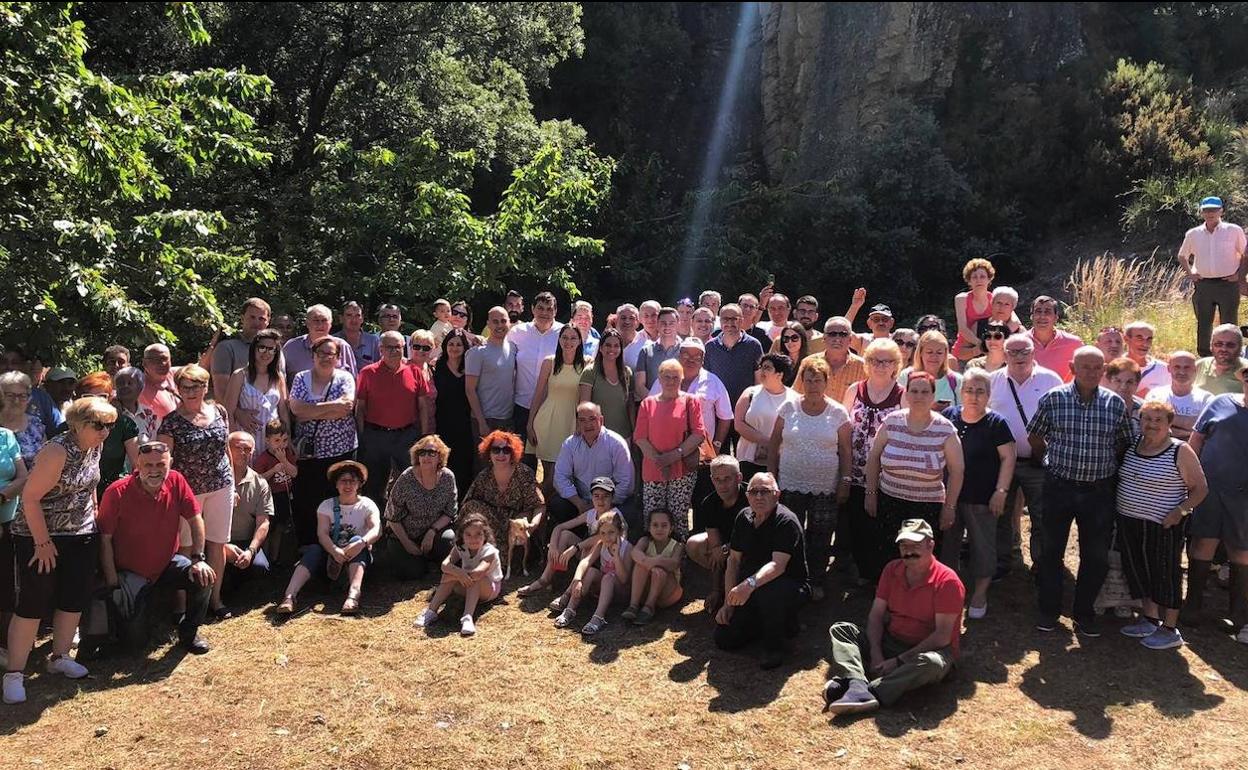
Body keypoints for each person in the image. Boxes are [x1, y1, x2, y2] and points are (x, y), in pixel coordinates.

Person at [3, 397, 114, 705]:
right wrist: (42, 542)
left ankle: (60, 657)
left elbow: (90, 483)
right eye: (99, 425)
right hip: (38, 534)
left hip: (80, 532)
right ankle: (14, 673)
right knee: (32, 602)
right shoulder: (57, 450)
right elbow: (30, 498)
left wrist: (93, 514)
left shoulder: (95, 445)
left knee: (73, 596)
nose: (105, 431)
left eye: (109, 425)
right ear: (78, 424)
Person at [1029, 346, 1133, 636]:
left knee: (1095, 555)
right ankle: (1049, 611)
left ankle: (1084, 613)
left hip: (1098, 491)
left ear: (1104, 370)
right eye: (1085, 366)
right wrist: (1048, 462)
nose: (1091, 372)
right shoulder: (1054, 398)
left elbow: (1124, 441)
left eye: (1097, 367)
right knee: (1051, 551)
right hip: (1059, 487)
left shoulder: (1114, 404)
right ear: (1073, 368)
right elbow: (1035, 435)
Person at [823, 519, 964, 716]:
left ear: (931, 545)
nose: (909, 551)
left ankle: (871, 690)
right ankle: (856, 683)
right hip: (892, 641)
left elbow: (942, 637)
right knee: (842, 630)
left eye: (915, 545)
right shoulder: (891, 569)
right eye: (904, 545)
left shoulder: (948, 582)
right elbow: (876, 615)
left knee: (932, 663)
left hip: (928, 651)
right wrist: (876, 652)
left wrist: (898, 661)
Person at [95, 440, 216, 658]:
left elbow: (195, 518)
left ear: (170, 463)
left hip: (167, 565)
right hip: (130, 574)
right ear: (137, 465)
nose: (154, 471)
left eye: (160, 465)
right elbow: (104, 540)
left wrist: (199, 558)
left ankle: (189, 634)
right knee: (135, 645)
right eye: (148, 465)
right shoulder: (116, 492)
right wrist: (113, 584)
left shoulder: (176, 480)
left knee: (203, 577)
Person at [1116, 402, 1208, 649]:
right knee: (1138, 570)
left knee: (1165, 573)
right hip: (1130, 521)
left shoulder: (1180, 450)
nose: (1152, 424)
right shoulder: (1133, 445)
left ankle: (1169, 629)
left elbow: (1201, 489)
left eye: (1158, 420)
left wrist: (1180, 512)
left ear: (1169, 423)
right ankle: (1150, 619)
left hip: (1164, 524)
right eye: (1147, 419)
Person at [768, 357, 851, 602]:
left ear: (826, 382)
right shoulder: (788, 408)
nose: (813, 385)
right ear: (802, 382)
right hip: (790, 482)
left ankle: (815, 580)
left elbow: (846, 450)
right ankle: (791, 577)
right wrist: (771, 477)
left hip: (825, 486)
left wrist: (845, 481)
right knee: (790, 532)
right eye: (808, 380)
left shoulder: (838, 412)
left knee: (820, 535)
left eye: (818, 380)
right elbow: (774, 444)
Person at [155, 364, 233, 621]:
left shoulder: (219, 411)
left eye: (196, 386)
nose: (191, 392)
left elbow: (226, 449)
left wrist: (233, 484)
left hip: (221, 486)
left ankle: (215, 600)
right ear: (178, 389)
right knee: (185, 548)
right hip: (187, 493)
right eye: (185, 387)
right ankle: (182, 606)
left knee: (217, 543)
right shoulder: (171, 422)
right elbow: (164, 464)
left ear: (205, 387)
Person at [866, 372, 964, 568]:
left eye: (925, 392)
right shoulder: (892, 422)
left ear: (933, 395)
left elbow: (957, 471)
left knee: (921, 562)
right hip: (890, 502)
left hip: (927, 507)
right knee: (889, 559)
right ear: (907, 394)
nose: (919, 396)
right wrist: (871, 494)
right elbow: (873, 458)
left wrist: (950, 507)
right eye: (914, 391)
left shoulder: (945, 429)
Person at [713, 472, 808, 670]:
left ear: (777, 495)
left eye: (765, 491)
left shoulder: (786, 521)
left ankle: (774, 646)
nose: (758, 496)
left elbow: (777, 566)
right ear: (747, 496)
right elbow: (733, 560)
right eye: (753, 492)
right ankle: (764, 624)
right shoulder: (743, 517)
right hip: (752, 583)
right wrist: (728, 603)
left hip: (786, 583)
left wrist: (748, 585)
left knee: (769, 592)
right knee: (724, 638)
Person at [940, 369, 1015, 618]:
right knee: (948, 545)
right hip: (950, 495)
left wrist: (1001, 491)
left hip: (982, 496)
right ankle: (948, 591)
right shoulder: (949, 416)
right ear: (961, 392)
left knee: (983, 546)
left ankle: (980, 593)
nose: (974, 396)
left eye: (980, 391)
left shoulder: (997, 423)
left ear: (988, 395)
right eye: (969, 390)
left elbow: (1008, 458)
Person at [1184, 366, 1248, 642]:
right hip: (1209, 490)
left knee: (1241, 552)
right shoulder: (1220, 402)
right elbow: (1196, 439)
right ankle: (1192, 607)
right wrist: (1190, 477)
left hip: (1244, 495)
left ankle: (1238, 613)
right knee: (1202, 543)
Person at [988, 334, 1063, 572]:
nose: (1019, 357)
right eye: (1013, 352)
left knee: (1041, 515)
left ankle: (1041, 564)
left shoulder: (1051, 379)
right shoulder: (992, 381)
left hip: (1038, 462)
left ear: (1033, 353)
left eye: (1024, 351)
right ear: (1004, 354)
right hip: (1001, 463)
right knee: (1000, 513)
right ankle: (1002, 561)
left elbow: (1061, 419)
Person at [276, 460, 381, 616]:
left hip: (357, 557)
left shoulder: (367, 504)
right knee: (313, 550)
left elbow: (376, 530)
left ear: (359, 484)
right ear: (336, 484)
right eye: (343, 481)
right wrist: (334, 550)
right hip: (331, 558)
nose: (348, 485)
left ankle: (353, 596)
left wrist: (362, 542)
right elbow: (322, 534)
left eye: (352, 481)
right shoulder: (326, 505)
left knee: (356, 541)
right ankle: (289, 596)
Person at [844, 339, 906, 583]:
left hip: (887, 475)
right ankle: (862, 572)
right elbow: (843, 429)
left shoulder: (903, 395)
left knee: (882, 526)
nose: (880, 366)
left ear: (896, 364)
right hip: (855, 472)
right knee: (857, 524)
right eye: (875, 360)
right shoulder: (854, 390)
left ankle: (883, 576)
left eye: (886, 361)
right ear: (867, 363)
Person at [288, 337, 357, 547]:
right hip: (309, 453)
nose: (326, 357)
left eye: (330, 354)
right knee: (308, 500)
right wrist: (331, 408)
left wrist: (310, 410)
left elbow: (346, 407)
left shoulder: (345, 378)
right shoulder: (301, 378)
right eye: (321, 353)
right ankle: (310, 547)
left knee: (338, 498)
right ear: (313, 355)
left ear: (337, 357)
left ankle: (339, 544)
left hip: (341, 451)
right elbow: (296, 409)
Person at [648, 337, 733, 507]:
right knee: (669, 503)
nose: (691, 360)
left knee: (701, 502)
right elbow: (650, 411)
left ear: (703, 359)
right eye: (686, 355)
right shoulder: (664, 379)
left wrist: (716, 446)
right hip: (667, 451)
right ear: (679, 356)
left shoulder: (713, 381)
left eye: (696, 357)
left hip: (700, 454)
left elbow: (725, 416)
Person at [355, 330, 431, 505]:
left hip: (406, 436)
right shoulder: (368, 373)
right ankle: (377, 518)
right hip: (376, 436)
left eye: (398, 347)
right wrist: (362, 436)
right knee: (374, 486)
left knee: (412, 483)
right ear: (380, 349)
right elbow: (360, 408)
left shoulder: (414, 371)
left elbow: (423, 407)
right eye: (389, 347)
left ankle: (407, 518)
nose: (394, 351)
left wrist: (424, 436)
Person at [634, 359, 706, 542]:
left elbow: (698, 434)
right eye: (667, 377)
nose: (671, 381)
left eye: (675, 377)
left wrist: (672, 457)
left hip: (682, 471)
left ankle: (678, 555)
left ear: (681, 379)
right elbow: (640, 438)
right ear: (659, 378)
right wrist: (661, 461)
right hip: (653, 471)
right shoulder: (647, 404)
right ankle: (652, 555)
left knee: (678, 519)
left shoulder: (691, 401)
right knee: (653, 520)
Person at [518, 475, 616, 599]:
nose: (601, 500)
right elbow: (560, 527)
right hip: (590, 554)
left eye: (605, 496)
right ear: (591, 497)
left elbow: (600, 539)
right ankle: (546, 578)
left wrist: (575, 547)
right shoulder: (591, 513)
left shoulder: (614, 516)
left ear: (612, 498)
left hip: (606, 560)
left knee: (589, 548)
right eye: (597, 496)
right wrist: (553, 546)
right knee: (565, 535)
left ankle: (569, 592)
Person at [548, 403, 635, 533]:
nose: (587, 424)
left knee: (630, 511)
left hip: (611, 501)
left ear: (601, 420)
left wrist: (602, 504)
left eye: (592, 419)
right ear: (577, 423)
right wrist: (579, 503)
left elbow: (625, 482)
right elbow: (560, 477)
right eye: (582, 420)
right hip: (581, 501)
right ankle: (576, 536)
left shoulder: (616, 443)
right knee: (557, 504)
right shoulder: (570, 444)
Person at [413, 512, 503, 637]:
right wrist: (458, 573)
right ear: (462, 535)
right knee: (450, 576)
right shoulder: (460, 547)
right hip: (466, 583)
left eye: (478, 534)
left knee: (471, 578)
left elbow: (478, 573)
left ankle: (467, 617)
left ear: (485, 535)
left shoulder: (489, 551)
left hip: (488, 588)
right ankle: (431, 611)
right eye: (468, 534)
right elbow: (445, 565)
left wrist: (456, 573)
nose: (473, 539)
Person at [1178, 196, 1246, 357]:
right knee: (1204, 322)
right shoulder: (1193, 234)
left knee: (1229, 324)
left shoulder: (1233, 230)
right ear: (1201, 212)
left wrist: (1239, 275)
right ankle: (1205, 356)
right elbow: (1182, 256)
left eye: (1214, 210)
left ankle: (1232, 356)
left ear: (1221, 211)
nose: (1210, 213)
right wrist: (1190, 273)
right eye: (1206, 210)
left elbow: (1245, 254)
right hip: (1203, 284)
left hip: (1228, 284)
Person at [383, 435, 458, 580]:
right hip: (405, 533)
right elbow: (391, 516)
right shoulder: (406, 478)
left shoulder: (448, 477)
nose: (426, 457)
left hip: (435, 531)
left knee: (449, 541)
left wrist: (431, 532)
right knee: (413, 572)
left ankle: (432, 560)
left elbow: (450, 512)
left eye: (431, 453)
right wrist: (407, 543)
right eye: (422, 453)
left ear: (440, 456)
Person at [460, 431, 545, 559]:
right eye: (496, 450)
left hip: (516, 527)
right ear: (489, 453)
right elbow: (468, 505)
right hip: (490, 527)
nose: (501, 454)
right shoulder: (484, 476)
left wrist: (533, 525)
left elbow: (540, 505)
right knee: (471, 506)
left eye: (506, 450)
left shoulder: (524, 473)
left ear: (513, 453)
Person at [549, 509, 631, 636]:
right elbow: (585, 562)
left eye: (611, 532)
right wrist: (577, 580)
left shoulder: (627, 548)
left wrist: (616, 557)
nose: (607, 537)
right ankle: (570, 609)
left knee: (608, 578)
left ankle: (598, 617)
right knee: (591, 571)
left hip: (620, 590)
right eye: (603, 533)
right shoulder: (601, 544)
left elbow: (624, 579)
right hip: (603, 588)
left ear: (619, 532)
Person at [214, 433, 273, 607]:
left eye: (247, 449)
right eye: (237, 448)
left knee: (260, 568)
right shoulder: (214, 480)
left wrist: (251, 551)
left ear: (253, 452)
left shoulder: (260, 483)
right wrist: (222, 547)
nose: (243, 452)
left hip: (245, 543)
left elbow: (263, 522)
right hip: (216, 543)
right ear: (227, 450)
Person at [527, 324, 587, 493]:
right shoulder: (549, 362)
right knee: (548, 475)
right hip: (548, 422)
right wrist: (530, 424)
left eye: (573, 338)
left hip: (571, 423)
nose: (568, 342)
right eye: (565, 337)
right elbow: (538, 394)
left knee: (561, 475)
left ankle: (541, 504)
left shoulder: (587, 363)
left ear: (580, 341)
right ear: (559, 339)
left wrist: (582, 424)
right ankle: (541, 506)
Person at [687, 456, 750, 614]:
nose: (722, 485)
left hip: (749, 547)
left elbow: (753, 538)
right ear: (711, 480)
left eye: (727, 479)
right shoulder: (709, 503)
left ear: (739, 477)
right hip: (726, 548)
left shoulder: (751, 499)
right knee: (694, 544)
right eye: (717, 480)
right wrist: (715, 590)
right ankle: (721, 586)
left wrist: (725, 549)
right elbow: (716, 548)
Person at [507, 291, 563, 449]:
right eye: (540, 308)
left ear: (555, 311)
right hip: (522, 405)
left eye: (549, 309)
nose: (544, 313)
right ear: (532, 309)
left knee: (550, 455)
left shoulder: (563, 334)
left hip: (551, 406)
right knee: (521, 455)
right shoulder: (517, 332)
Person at [221, 328, 288, 455]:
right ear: (254, 349)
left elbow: (283, 411)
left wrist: (287, 439)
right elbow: (228, 411)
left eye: (271, 349)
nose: (266, 353)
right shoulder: (240, 375)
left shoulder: (278, 377)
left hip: (273, 444)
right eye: (262, 348)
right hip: (246, 442)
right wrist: (234, 443)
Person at [75, 372, 139, 494]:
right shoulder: (69, 427)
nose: (96, 402)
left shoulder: (123, 424)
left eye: (102, 397)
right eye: (89, 396)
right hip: (79, 493)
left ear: (110, 399)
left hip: (116, 490)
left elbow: (138, 465)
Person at [733, 353, 794, 480]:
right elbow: (738, 424)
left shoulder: (794, 399)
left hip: (780, 461)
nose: (762, 370)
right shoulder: (750, 393)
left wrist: (774, 447)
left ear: (779, 374)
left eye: (767, 368)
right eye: (761, 367)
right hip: (748, 459)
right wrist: (767, 442)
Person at [622, 508, 684, 625]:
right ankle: (633, 605)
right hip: (646, 591)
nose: (659, 529)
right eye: (655, 525)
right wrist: (647, 561)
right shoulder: (645, 541)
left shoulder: (677, 546)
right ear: (649, 528)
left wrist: (657, 561)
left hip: (668, 593)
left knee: (658, 571)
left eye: (664, 525)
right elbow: (634, 553)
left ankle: (649, 607)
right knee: (641, 565)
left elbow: (674, 564)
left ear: (671, 529)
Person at [465, 307, 518, 441]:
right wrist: (481, 422)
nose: (499, 325)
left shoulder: (513, 348)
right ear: (488, 324)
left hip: (508, 418)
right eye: (495, 321)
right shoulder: (477, 352)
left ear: (509, 323)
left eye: (503, 321)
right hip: (486, 419)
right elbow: (470, 390)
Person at [705, 303, 765, 416]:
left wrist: (756, 406)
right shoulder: (710, 347)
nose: (729, 323)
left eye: (734, 319)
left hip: (745, 409)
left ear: (741, 320)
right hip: (717, 410)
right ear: (720, 321)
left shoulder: (753, 345)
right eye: (725, 319)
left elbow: (759, 379)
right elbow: (706, 379)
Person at [433, 328, 474, 495]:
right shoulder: (436, 368)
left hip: (465, 423)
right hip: (442, 423)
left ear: (465, 347)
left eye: (459, 344)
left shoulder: (470, 369)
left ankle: (463, 498)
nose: (454, 348)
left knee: (464, 462)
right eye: (451, 344)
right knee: (444, 461)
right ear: (445, 346)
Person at [253, 420, 297, 565]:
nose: (281, 444)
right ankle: (265, 559)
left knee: (280, 527)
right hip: (270, 497)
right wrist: (273, 470)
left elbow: (294, 473)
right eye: (277, 440)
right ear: (267, 440)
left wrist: (284, 460)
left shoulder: (287, 454)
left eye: (285, 440)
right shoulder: (263, 458)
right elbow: (258, 479)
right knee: (269, 528)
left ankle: (275, 558)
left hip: (285, 495)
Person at [578, 328, 635, 438]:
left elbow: (631, 406)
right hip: (598, 437)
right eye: (608, 345)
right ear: (600, 348)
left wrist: (634, 431)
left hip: (624, 436)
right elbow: (584, 408)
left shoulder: (627, 373)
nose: (612, 349)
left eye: (616, 346)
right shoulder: (590, 372)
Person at [211, 297, 273, 397]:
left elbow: (280, 387)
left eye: (261, 319)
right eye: (252, 317)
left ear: (268, 321)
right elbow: (222, 393)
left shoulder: (274, 350)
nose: (256, 322)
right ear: (242, 318)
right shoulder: (226, 348)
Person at [1144, 351, 1211, 440]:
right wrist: (1190, 428)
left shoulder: (1206, 399)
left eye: (1187, 367)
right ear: (1169, 368)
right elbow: (1148, 425)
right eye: (1177, 367)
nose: (1182, 372)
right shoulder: (1155, 395)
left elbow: (1207, 430)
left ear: (1195, 369)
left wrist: (1163, 419)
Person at [795, 316, 864, 401]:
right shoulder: (808, 363)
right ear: (824, 338)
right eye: (832, 334)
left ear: (850, 339)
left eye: (843, 334)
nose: (837, 339)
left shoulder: (863, 367)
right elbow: (796, 395)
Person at [282, 304, 357, 381]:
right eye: (316, 321)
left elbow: (353, 380)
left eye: (324, 320)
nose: (320, 325)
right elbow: (280, 379)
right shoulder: (291, 347)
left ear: (330, 324)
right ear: (307, 323)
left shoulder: (343, 346)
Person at [952, 258, 1001, 363]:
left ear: (989, 279)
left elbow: (1013, 320)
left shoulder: (995, 299)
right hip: (965, 351)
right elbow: (962, 329)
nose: (978, 280)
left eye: (982, 277)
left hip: (989, 351)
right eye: (974, 277)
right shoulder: (961, 299)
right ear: (969, 281)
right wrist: (981, 344)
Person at [1026, 296, 1083, 382]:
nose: (1042, 316)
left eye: (1047, 312)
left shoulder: (1073, 343)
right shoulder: (1020, 343)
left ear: (1056, 318)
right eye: (1038, 311)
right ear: (1032, 316)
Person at [900, 331, 961, 410]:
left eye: (939, 353)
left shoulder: (957, 381)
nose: (934, 356)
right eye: (929, 352)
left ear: (945, 354)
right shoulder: (906, 376)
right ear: (920, 352)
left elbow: (962, 412)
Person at [0, 371, 47, 473]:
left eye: (22, 396)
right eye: (10, 395)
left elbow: (46, 459)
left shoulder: (35, 424)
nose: (16, 401)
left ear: (28, 398)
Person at [634, 306, 682, 397]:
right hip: (652, 403)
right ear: (657, 324)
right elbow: (639, 386)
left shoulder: (685, 351)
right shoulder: (646, 351)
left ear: (678, 324)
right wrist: (656, 403)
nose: (667, 326)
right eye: (663, 323)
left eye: (671, 323)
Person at [1194, 323, 1248, 395]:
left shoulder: (1246, 369)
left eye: (1230, 345)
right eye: (1218, 344)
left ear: (1240, 347)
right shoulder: (1199, 366)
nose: (1224, 349)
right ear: (1211, 346)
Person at [1124, 321, 1170, 395]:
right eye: (1139, 339)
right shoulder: (1114, 366)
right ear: (1126, 339)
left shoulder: (1164, 369)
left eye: (1149, 339)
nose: (1145, 344)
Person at [138, 343, 179, 423]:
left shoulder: (177, 374)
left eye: (164, 358)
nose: (161, 363)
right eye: (155, 360)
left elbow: (201, 368)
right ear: (144, 363)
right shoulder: (137, 386)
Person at [1105, 357, 1144, 437]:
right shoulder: (1100, 407)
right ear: (1109, 381)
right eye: (1118, 381)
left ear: (1137, 384)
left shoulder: (1144, 409)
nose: (1123, 386)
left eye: (1129, 382)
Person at [337, 301, 381, 369]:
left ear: (362, 318)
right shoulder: (333, 341)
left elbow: (381, 366)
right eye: (349, 315)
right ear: (341, 318)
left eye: (357, 315)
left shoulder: (373, 341)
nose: (354, 320)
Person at [767, 322, 809, 386]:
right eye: (786, 338)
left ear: (802, 339)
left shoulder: (809, 362)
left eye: (794, 338)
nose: (790, 342)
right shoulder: (777, 362)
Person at [619, 302, 652, 371]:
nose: (627, 321)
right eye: (623, 318)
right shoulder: (609, 342)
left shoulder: (646, 345)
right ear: (617, 320)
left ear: (638, 322)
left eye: (631, 318)